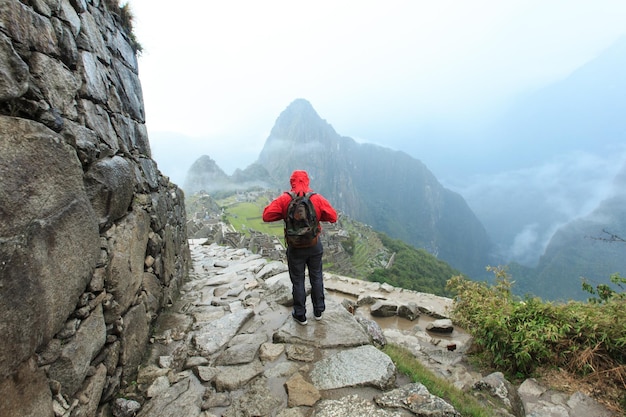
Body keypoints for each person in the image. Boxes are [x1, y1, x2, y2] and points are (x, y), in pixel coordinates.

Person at [262, 170, 338, 325]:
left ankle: (300, 314)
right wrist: (316, 217)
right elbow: (333, 216)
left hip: (295, 248)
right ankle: (318, 310)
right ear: (307, 181)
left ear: (292, 182)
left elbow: (266, 215)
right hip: (314, 245)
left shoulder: (285, 199)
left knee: (298, 281)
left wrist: (284, 214)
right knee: (316, 276)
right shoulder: (316, 199)